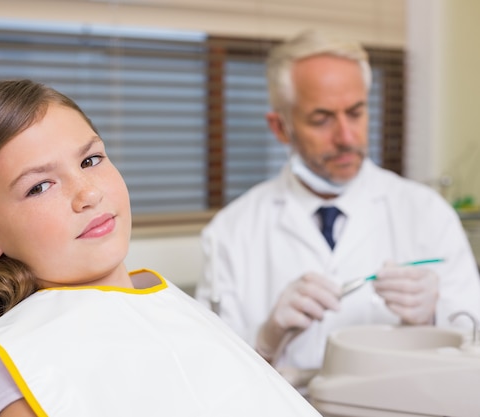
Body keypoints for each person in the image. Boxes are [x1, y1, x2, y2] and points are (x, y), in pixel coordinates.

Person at [0, 79, 321, 416]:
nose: (88, 194)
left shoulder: (161, 298)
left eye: (91, 160)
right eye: (39, 186)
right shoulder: (31, 354)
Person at [195, 29, 480, 387]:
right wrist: (267, 338)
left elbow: (474, 348)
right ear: (280, 127)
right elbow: (207, 374)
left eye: (356, 113)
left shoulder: (427, 213)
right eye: (322, 119)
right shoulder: (230, 232)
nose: (346, 136)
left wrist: (433, 316)